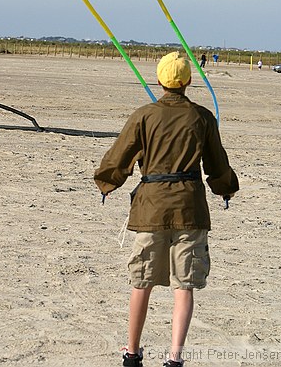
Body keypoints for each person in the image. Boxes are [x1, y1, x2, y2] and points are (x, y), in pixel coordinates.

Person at [94, 52, 239, 367]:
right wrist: (226, 188)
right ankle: (175, 358)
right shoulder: (202, 117)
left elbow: (120, 157)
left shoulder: (144, 115)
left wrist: (107, 182)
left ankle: (132, 354)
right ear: (187, 81)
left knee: (141, 282)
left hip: (152, 209)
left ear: (160, 80)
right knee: (183, 286)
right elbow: (217, 164)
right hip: (189, 209)